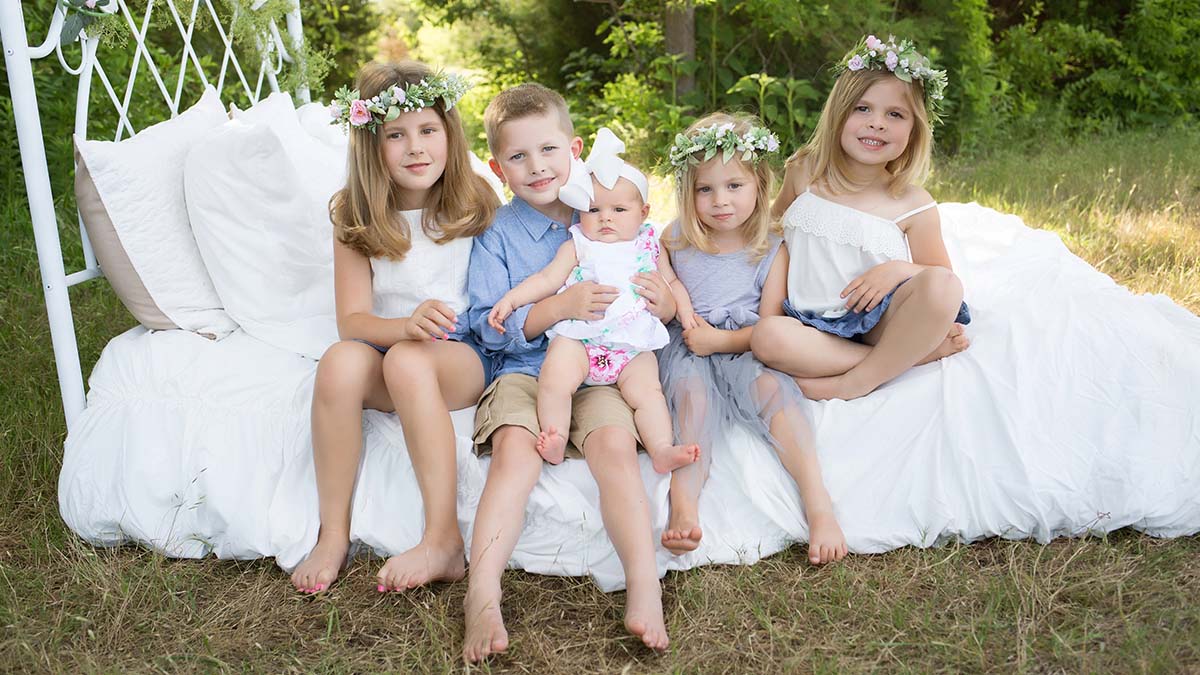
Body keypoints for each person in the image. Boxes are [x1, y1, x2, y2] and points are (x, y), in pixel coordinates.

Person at [463, 84, 676, 661]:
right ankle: (482, 592)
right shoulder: (496, 232)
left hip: (602, 374)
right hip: (528, 369)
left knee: (613, 447)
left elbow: (658, 286)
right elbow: (484, 324)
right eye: (518, 156)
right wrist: (556, 307)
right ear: (496, 166)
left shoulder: (616, 211)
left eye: (550, 150)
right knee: (516, 449)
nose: (537, 167)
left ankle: (644, 585)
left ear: (575, 149)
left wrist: (662, 301)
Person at [290, 60, 499, 594]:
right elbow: (352, 321)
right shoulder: (354, 215)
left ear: (448, 133)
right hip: (393, 345)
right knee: (338, 364)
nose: (415, 148)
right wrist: (404, 325)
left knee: (409, 359)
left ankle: (444, 538)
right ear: (370, 145)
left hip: (463, 355)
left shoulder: (474, 200)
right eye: (395, 136)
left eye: (428, 130)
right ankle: (333, 532)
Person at [657, 112, 848, 565]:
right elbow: (667, 291)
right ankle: (684, 503)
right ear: (689, 193)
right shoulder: (677, 237)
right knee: (691, 397)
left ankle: (818, 505)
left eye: (734, 186)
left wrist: (720, 343)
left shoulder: (772, 245)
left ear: (760, 185)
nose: (720, 201)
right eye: (705, 189)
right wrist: (690, 327)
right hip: (687, 344)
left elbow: (767, 325)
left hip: (741, 344)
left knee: (772, 392)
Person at [751, 35, 972, 401]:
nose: (877, 124)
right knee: (766, 336)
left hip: (879, 320)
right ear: (838, 114)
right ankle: (903, 359)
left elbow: (943, 277)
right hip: (810, 325)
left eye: (895, 115)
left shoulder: (913, 203)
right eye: (863, 109)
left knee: (944, 289)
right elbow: (772, 231)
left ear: (914, 130)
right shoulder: (805, 171)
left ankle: (853, 382)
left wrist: (899, 271)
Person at [487, 127, 699, 472]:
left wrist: (684, 312)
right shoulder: (577, 243)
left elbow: (672, 281)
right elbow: (547, 279)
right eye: (593, 209)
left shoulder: (648, 243)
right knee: (555, 379)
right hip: (580, 338)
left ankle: (660, 448)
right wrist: (512, 299)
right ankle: (554, 435)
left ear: (643, 212)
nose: (605, 218)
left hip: (631, 342)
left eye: (618, 209)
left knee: (648, 393)